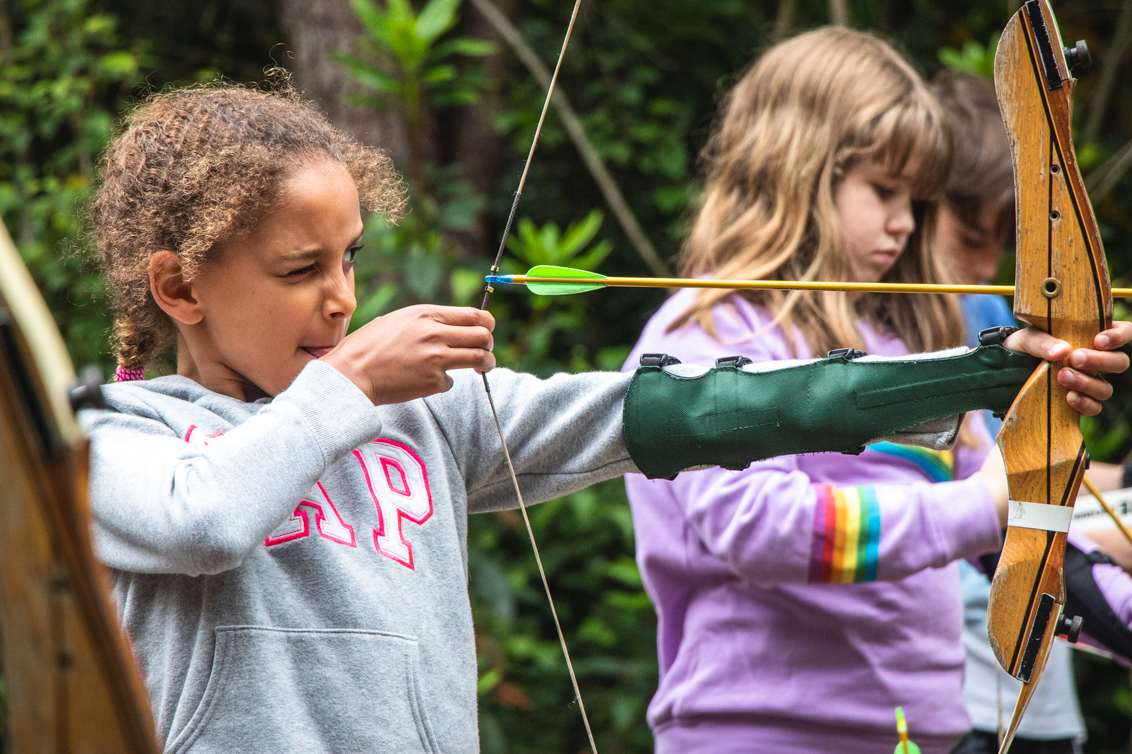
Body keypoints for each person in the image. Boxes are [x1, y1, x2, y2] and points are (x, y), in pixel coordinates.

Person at [81, 80, 1115, 754]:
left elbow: (694, 413)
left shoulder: (423, 418)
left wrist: (981, 376)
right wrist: (347, 386)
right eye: (302, 270)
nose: (344, 298)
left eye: (350, 258)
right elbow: (205, 521)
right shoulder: (115, 441)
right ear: (179, 289)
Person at [622, 28, 1130, 754]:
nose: (904, 223)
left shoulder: (902, 342)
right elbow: (760, 528)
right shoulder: (707, 335)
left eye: (917, 200)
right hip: (758, 734)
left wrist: (1036, 412)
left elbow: (1013, 537)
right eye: (883, 191)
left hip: (918, 734)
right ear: (794, 169)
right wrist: (979, 505)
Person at [930, 70, 1087, 754]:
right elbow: (974, 499)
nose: (987, 262)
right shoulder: (878, 336)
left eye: (1003, 243)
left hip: (1038, 671)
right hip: (956, 684)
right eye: (969, 236)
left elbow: (1023, 473)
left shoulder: (993, 316)